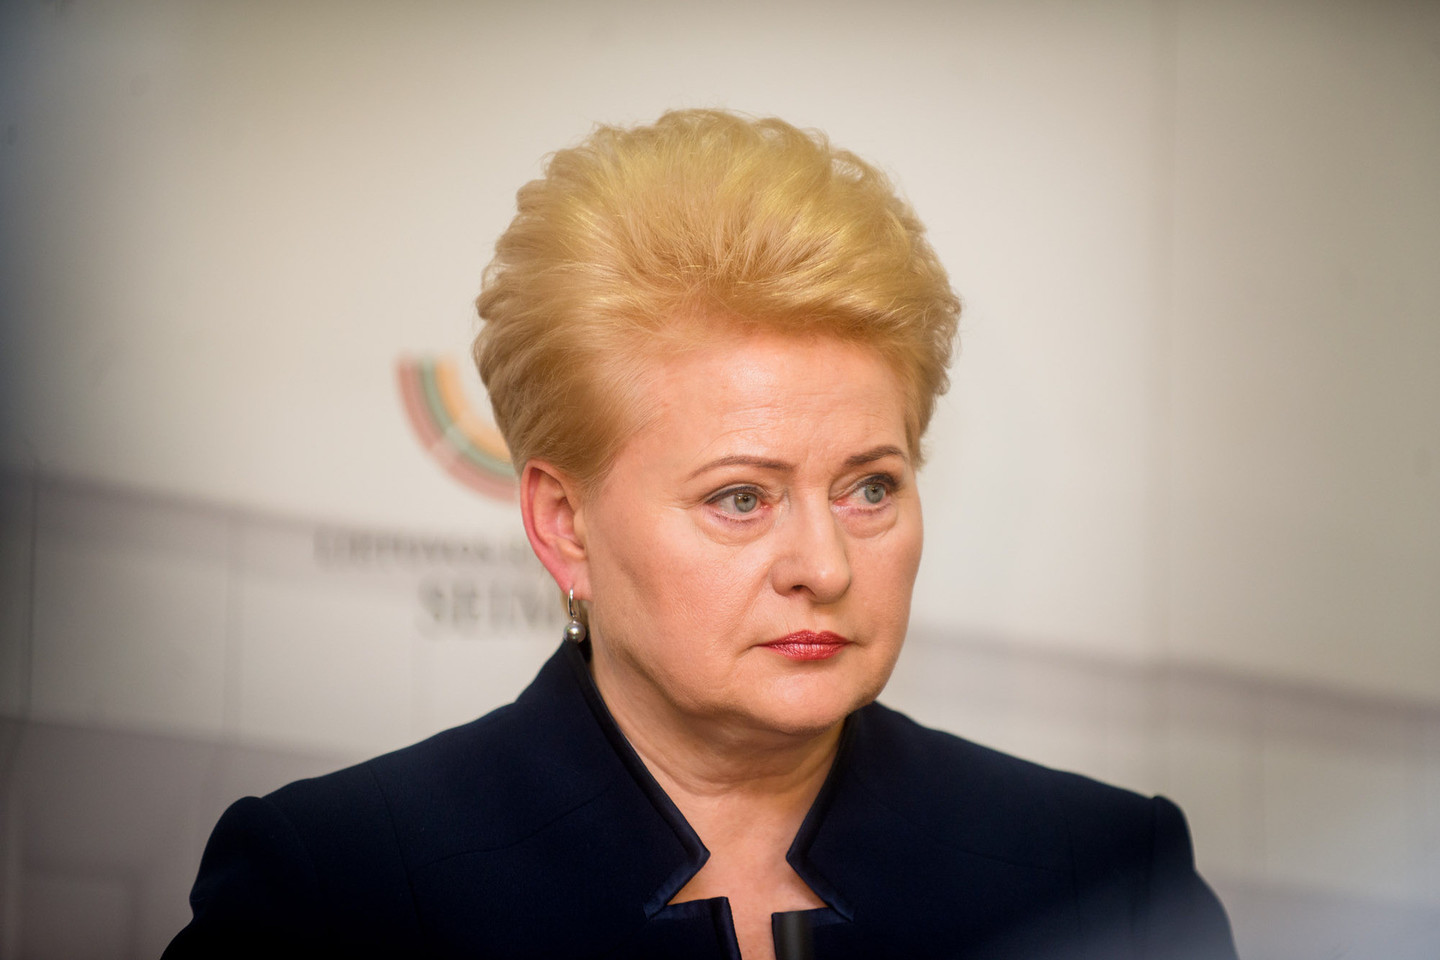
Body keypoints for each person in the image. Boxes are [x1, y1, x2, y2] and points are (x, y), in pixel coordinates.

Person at [164, 109, 1237, 960]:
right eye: (741, 499)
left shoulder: (1107, 878)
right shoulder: (331, 892)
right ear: (563, 524)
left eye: (869, 487)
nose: (824, 567)